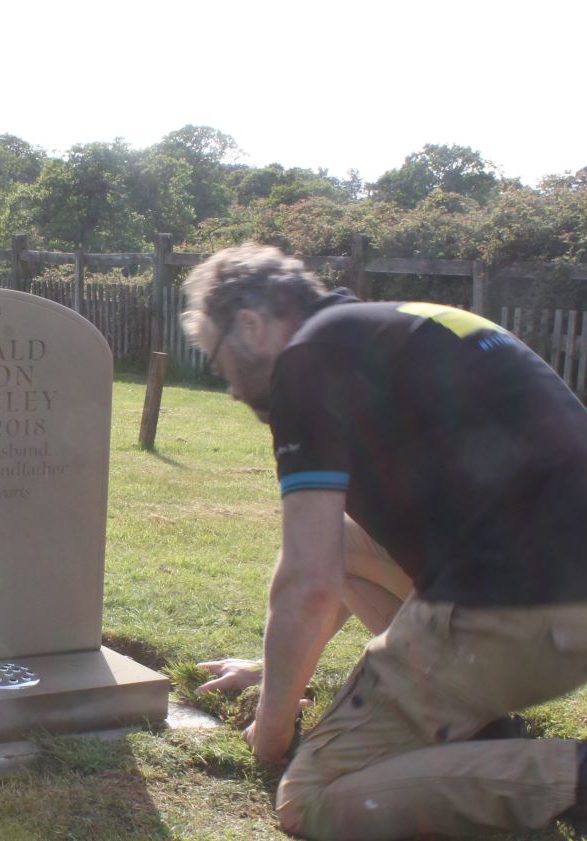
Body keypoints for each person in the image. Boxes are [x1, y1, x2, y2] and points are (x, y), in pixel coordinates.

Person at [180, 243, 587, 840]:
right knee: (349, 539)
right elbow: (334, 559)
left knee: (309, 800)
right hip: (558, 583)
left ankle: (570, 777)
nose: (232, 391)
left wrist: (270, 735)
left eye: (218, 363)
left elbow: (308, 584)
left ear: (251, 325)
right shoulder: (391, 326)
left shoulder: (307, 360)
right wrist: (275, 672)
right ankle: (481, 736)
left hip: (521, 609)